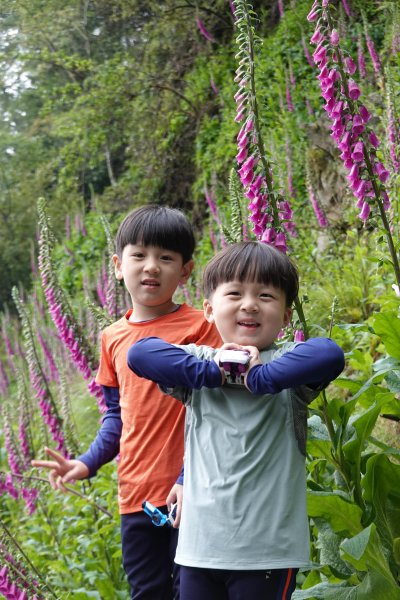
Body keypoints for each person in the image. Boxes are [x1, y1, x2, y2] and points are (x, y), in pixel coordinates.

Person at [127, 241, 345, 600]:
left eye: (266, 295)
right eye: (234, 293)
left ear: (287, 317)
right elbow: (141, 353)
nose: (249, 304)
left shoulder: (286, 366)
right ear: (209, 310)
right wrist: (212, 371)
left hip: (266, 554)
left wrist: (263, 377)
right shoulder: (200, 361)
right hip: (198, 549)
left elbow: (330, 354)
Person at [31, 204, 221, 600]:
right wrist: (86, 461)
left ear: (185, 271)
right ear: (118, 265)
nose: (151, 266)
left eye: (165, 258)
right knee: (147, 592)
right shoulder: (111, 337)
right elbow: (117, 416)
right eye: (139, 255)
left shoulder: (202, 327)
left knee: (196, 591)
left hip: (195, 492)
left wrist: (189, 477)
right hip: (135, 496)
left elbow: (222, 410)